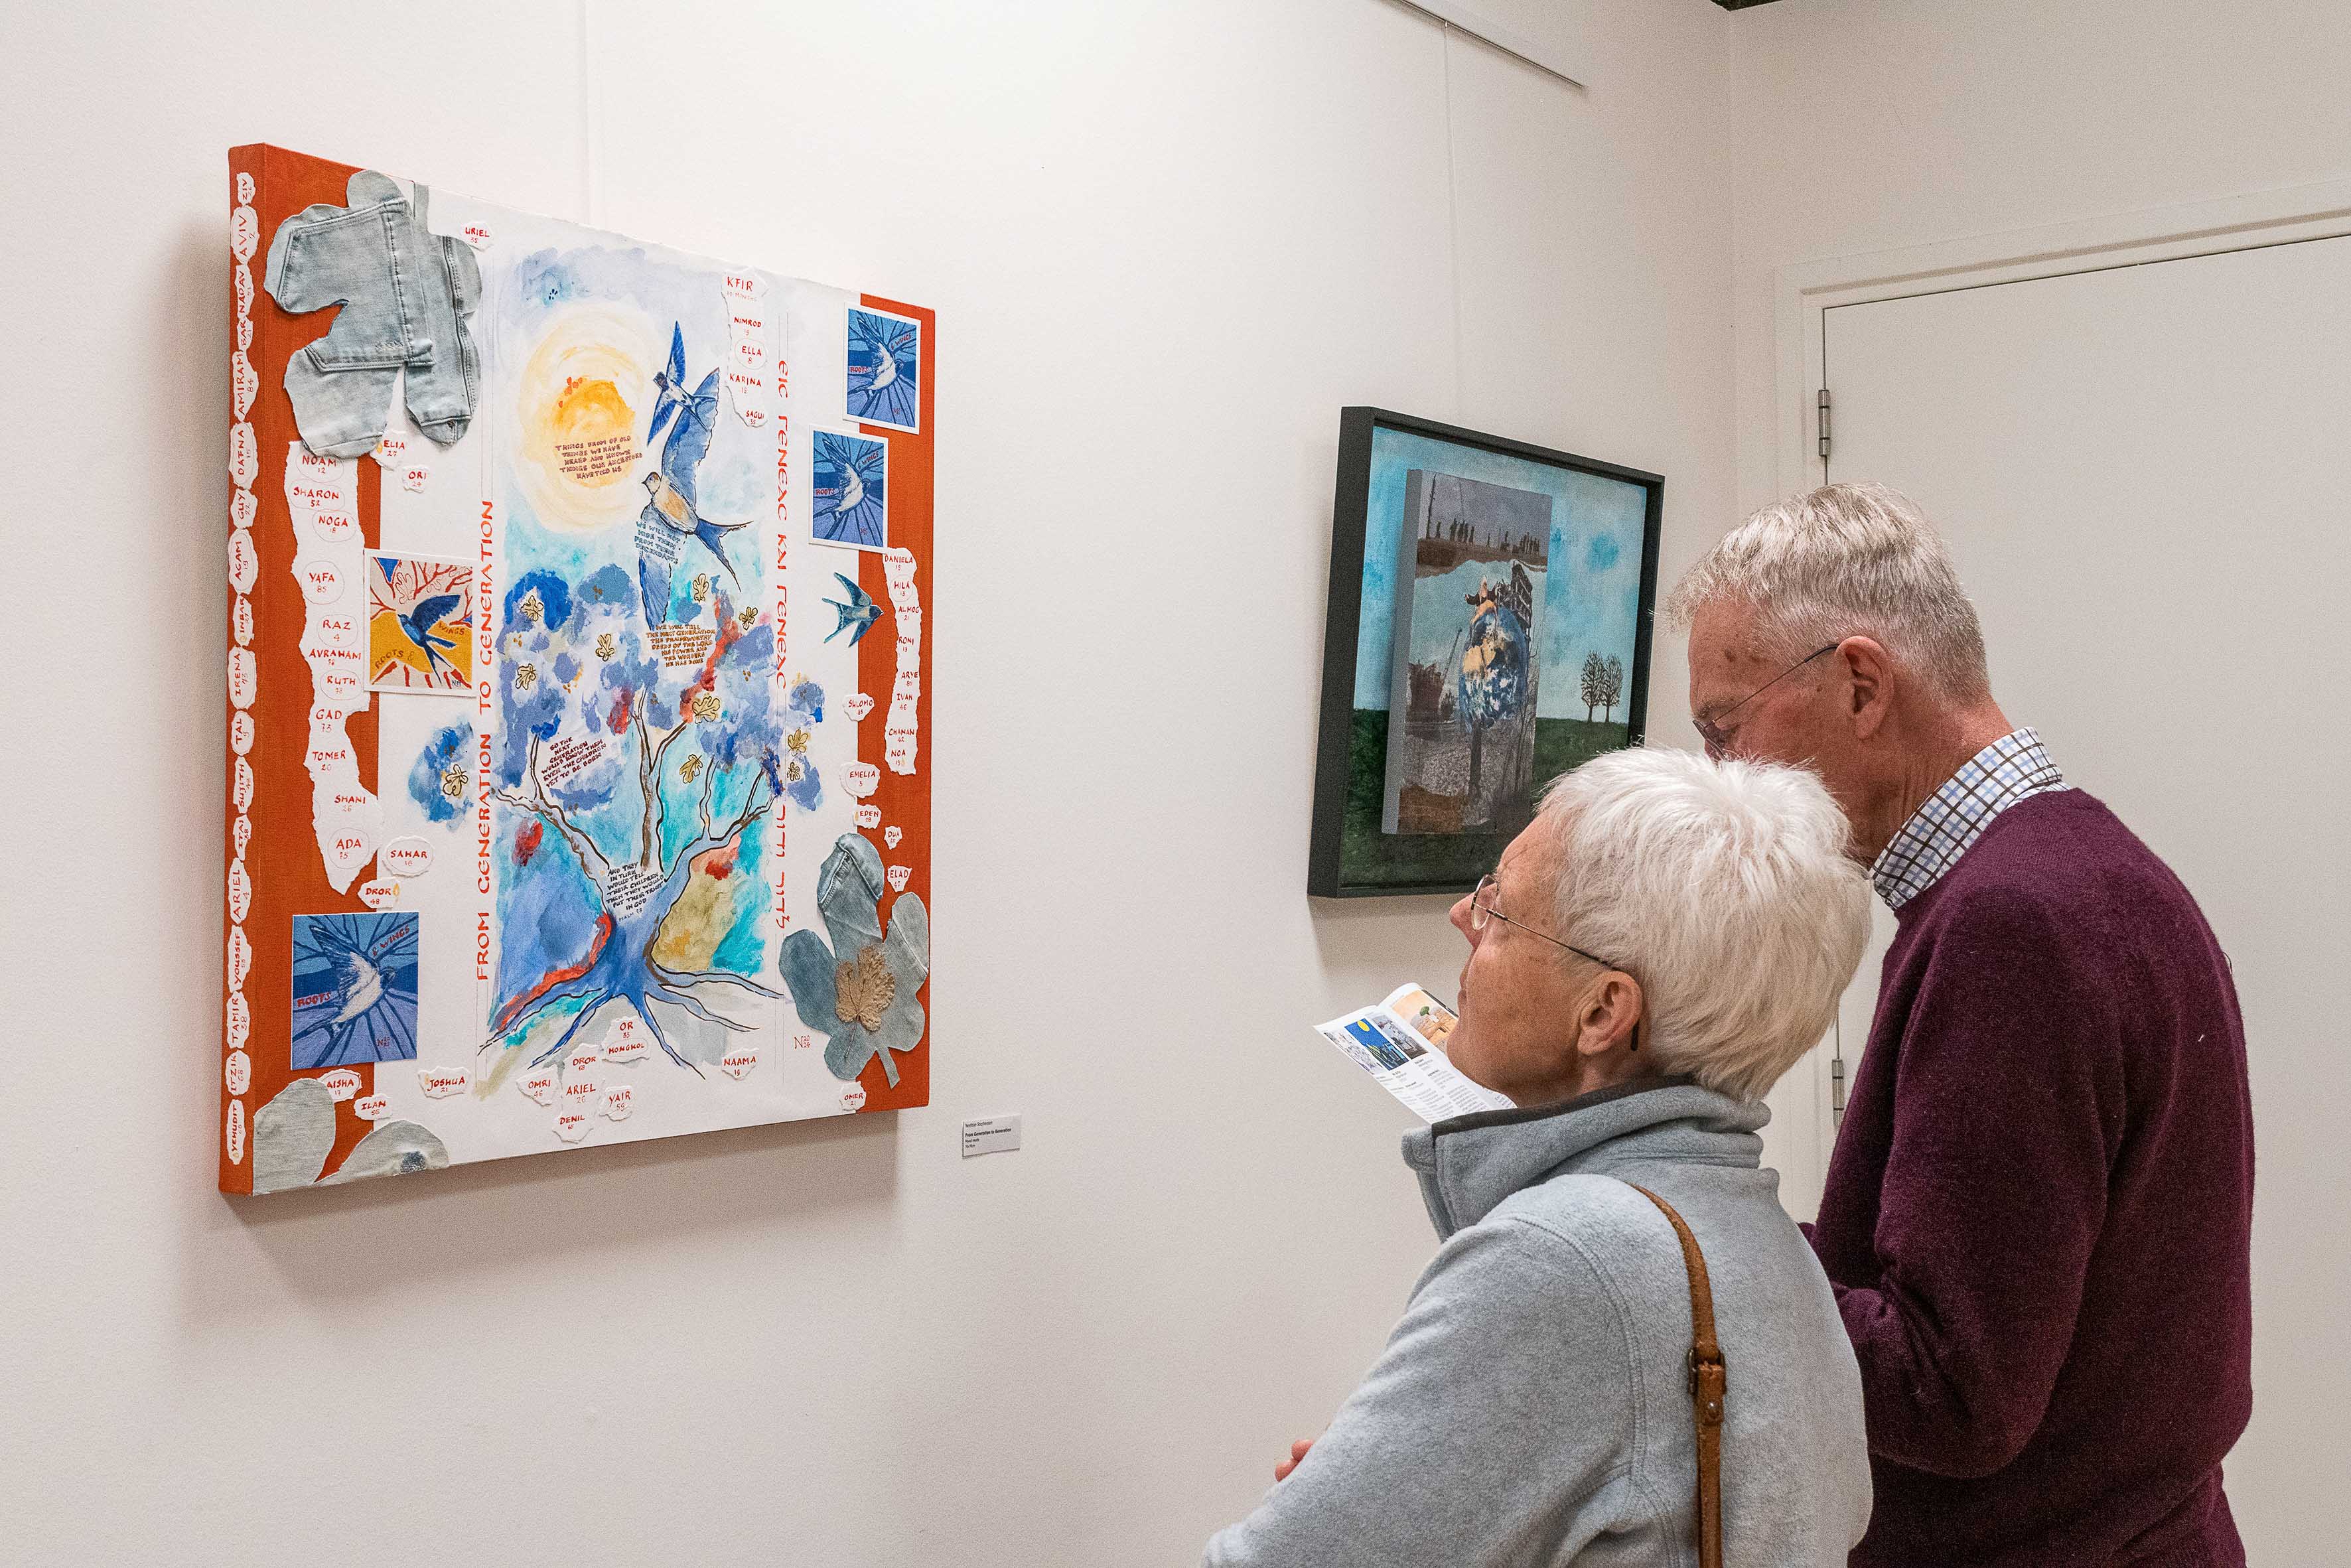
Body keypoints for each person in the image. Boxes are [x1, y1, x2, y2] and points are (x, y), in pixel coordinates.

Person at [1667, 482, 2253, 1566]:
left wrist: (1686, 1260)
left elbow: (1951, 1388)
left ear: (1858, 684)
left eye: (1723, 727)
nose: (1717, 775)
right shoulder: (2091, 872)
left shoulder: (2011, 924)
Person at [1204, 748, 1875, 1567]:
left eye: (1502, 909)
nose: (1463, 914)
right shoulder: (1768, 1236)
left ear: (1602, 1011)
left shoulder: (1563, 1254)